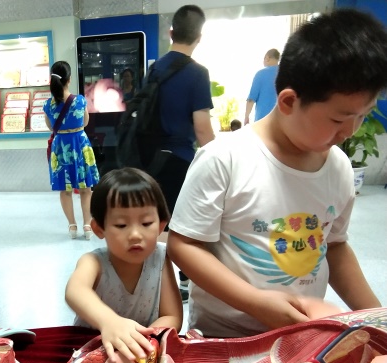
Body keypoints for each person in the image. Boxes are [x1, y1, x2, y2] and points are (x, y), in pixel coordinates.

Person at [166, 8, 387, 338]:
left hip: (302, 336)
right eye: (339, 119)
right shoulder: (224, 158)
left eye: (363, 116)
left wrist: (377, 318)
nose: (350, 131)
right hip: (225, 337)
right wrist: (255, 302)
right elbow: (183, 245)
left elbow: (335, 247)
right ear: (288, 102)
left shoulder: (338, 168)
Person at [65, 167, 182, 361]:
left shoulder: (160, 258)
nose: (135, 234)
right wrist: (110, 322)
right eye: (121, 225)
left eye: (146, 223)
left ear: (161, 226)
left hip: (140, 355)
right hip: (89, 352)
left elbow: (172, 316)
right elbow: (75, 291)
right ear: (99, 229)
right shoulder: (94, 262)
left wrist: (143, 341)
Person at [152, 4, 215, 295]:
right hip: (180, 160)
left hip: (151, 158)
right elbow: (202, 128)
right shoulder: (198, 73)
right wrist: (220, 161)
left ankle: (158, 281)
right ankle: (185, 282)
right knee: (185, 225)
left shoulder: (154, 69)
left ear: (171, 33)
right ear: (199, 37)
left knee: (158, 222)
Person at [43, 61, 100, 240]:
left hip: (61, 147)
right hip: (80, 144)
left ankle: (72, 226)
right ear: (69, 79)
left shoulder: (48, 105)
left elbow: (50, 127)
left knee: (65, 189)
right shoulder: (80, 101)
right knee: (86, 188)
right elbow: (85, 122)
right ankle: (87, 225)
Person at [244, 48, 280, 125]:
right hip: (282, 123)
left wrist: (246, 116)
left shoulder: (260, 74)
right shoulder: (287, 74)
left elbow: (251, 99)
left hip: (262, 122)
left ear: (267, 58)